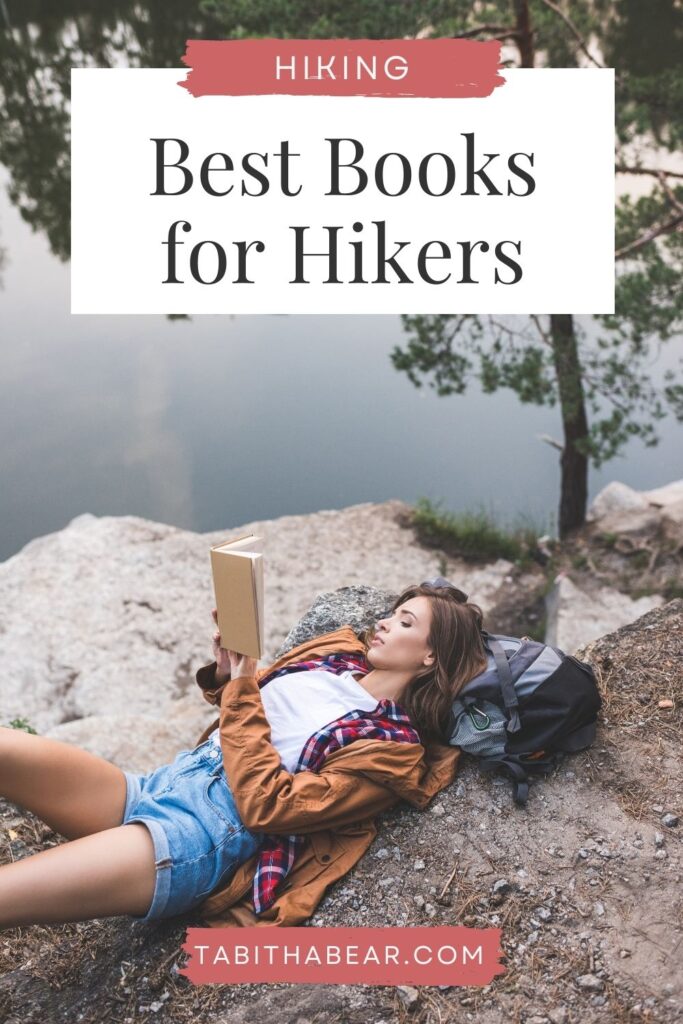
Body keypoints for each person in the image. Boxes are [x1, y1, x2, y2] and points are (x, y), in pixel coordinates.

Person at [0, 580, 487, 929]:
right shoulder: (334, 660)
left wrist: (241, 685)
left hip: (201, 833)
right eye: (393, 612)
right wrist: (228, 670)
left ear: (430, 658)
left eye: (405, 621)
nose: (382, 622)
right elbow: (242, 708)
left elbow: (268, 805)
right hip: (164, 782)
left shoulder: (390, 751)